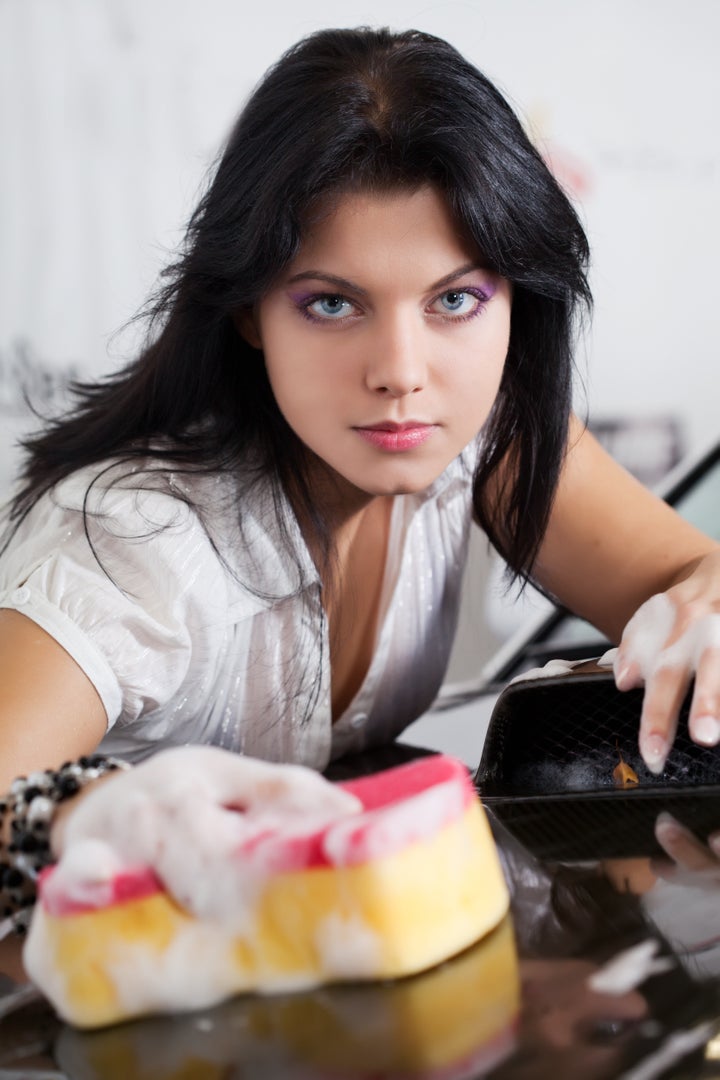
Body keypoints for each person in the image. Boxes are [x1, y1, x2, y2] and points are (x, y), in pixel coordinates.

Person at [0, 27, 718, 929]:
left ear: (515, 302)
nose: (402, 372)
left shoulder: (481, 431)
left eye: (454, 299)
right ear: (252, 312)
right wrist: (93, 823)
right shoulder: (137, 543)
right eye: (333, 304)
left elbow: (692, 582)